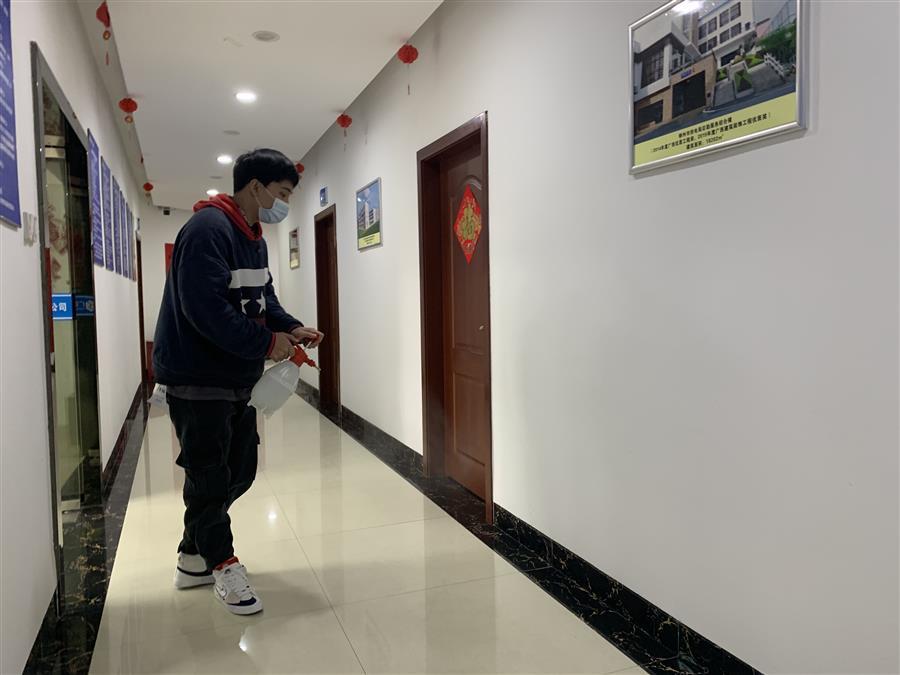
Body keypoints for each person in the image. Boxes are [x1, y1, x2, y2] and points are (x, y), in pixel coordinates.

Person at [152, 148, 323, 615]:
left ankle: (193, 555)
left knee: (239, 469)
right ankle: (223, 566)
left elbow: (263, 298)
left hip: (235, 378)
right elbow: (204, 310)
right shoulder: (207, 230)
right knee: (209, 476)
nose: (283, 203)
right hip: (197, 377)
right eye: (282, 193)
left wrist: (290, 328)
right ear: (255, 187)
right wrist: (267, 344)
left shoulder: (254, 237)